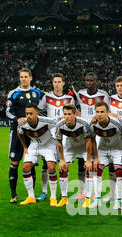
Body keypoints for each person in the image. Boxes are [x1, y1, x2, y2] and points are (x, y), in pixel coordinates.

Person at [6, 68, 44, 203]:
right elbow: (8, 111)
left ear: (31, 78)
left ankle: (31, 195)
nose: (23, 79)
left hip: (32, 133)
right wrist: (17, 119)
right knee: (14, 163)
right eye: (21, 77)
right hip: (17, 132)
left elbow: (46, 106)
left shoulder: (38, 92)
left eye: (26, 77)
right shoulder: (14, 93)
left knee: (30, 163)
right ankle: (13, 195)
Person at [37, 73, 75, 201]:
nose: (57, 84)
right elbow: (37, 112)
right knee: (46, 164)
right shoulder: (46, 97)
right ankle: (44, 191)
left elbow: (75, 116)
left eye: (59, 82)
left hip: (64, 135)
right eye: (55, 82)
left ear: (63, 83)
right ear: (52, 83)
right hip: (49, 135)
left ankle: (63, 193)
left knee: (64, 165)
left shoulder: (69, 99)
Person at [73, 72, 110, 199]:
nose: (89, 83)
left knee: (95, 162)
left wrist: (97, 118)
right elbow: (77, 109)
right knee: (81, 162)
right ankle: (82, 191)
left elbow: (107, 112)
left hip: (97, 131)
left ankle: (94, 192)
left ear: (96, 81)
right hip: (83, 131)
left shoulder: (103, 95)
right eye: (87, 80)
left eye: (91, 80)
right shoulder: (80, 94)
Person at [89, 101, 122, 209]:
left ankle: (118, 200)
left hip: (117, 148)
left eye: (102, 112)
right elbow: (92, 139)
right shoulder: (93, 124)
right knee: (97, 170)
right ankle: (97, 199)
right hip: (102, 148)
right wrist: (96, 157)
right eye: (97, 112)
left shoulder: (116, 123)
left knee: (119, 171)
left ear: (107, 112)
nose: (99, 114)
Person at [16, 103, 58, 206]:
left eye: (31, 113)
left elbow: (58, 122)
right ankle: (31, 197)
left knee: (51, 167)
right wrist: (25, 147)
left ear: (37, 113)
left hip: (48, 145)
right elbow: (19, 132)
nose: (28, 116)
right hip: (34, 145)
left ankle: (53, 197)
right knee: (25, 167)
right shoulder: (23, 123)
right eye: (27, 114)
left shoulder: (46, 121)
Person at [55, 104, 95, 208]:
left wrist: (89, 159)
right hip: (70, 147)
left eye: (69, 114)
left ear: (75, 114)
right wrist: (62, 160)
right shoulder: (60, 125)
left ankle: (88, 198)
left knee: (89, 169)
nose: (67, 117)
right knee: (63, 168)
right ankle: (64, 198)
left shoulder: (83, 124)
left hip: (83, 146)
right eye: (65, 114)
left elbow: (88, 142)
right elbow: (59, 143)